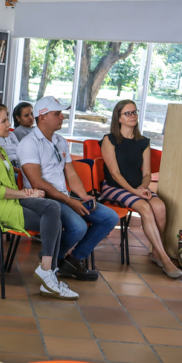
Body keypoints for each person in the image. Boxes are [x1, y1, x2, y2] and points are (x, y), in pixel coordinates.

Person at [0, 105, 76, 299]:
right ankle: (49, 273)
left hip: (10, 200)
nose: (9, 124)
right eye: (4, 121)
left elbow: (6, 182)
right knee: (54, 220)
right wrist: (26, 194)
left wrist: (27, 191)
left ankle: (47, 270)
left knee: (52, 207)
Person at [19, 97, 118, 281]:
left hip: (65, 196)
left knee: (109, 217)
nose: (62, 117)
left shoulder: (60, 141)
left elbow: (71, 174)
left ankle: (72, 261)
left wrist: (83, 196)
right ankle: (52, 260)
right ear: (42, 117)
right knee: (78, 227)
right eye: (57, 114)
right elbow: (36, 182)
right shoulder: (28, 143)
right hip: (44, 199)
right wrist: (70, 201)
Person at [99, 101, 182, 279]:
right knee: (145, 208)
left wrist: (143, 188)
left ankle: (156, 252)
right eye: (127, 113)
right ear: (118, 118)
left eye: (134, 112)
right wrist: (135, 191)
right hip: (114, 186)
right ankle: (165, 259)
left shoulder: (143, 142)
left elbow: (146, 173)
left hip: (137, 187)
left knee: (159, 206)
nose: (133, 116)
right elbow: (114, 173)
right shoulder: (109, 139)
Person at [2, 101, 35, 167]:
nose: (31, 117)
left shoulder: (36, 129)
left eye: (32, 114)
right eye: (26, 115)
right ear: (18, 118)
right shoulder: (19, 132)